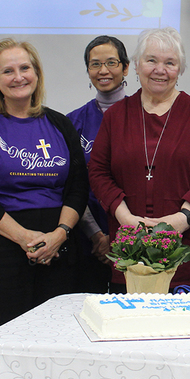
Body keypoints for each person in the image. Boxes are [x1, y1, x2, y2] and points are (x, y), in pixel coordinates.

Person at [0, 38, 88, 351]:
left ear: (37, 74)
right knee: (2, 350)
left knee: (54, 350)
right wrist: (24, 237)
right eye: (7, 71)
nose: (18, 77)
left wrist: (59, 235)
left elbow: (78, 187)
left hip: (57, 254)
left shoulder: (60, 124)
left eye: (25, 68)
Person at [89, 27, 190, 292]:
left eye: (170, 63)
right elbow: (98, 171)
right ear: (137, 65)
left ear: (180, 69)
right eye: (151, 60)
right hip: (131, 254)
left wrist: (183, 218)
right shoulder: (116, 116)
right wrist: (125, 218)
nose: (159, 70)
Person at [67, 36, 129, 293]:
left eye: (111, 63)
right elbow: (72, 185)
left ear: (126, 68)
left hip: (134, 238)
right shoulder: (72, 122)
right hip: (87, 241)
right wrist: (97, 236)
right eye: (95, 64)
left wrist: (120, 236)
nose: (103, 71)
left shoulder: (143, 114)